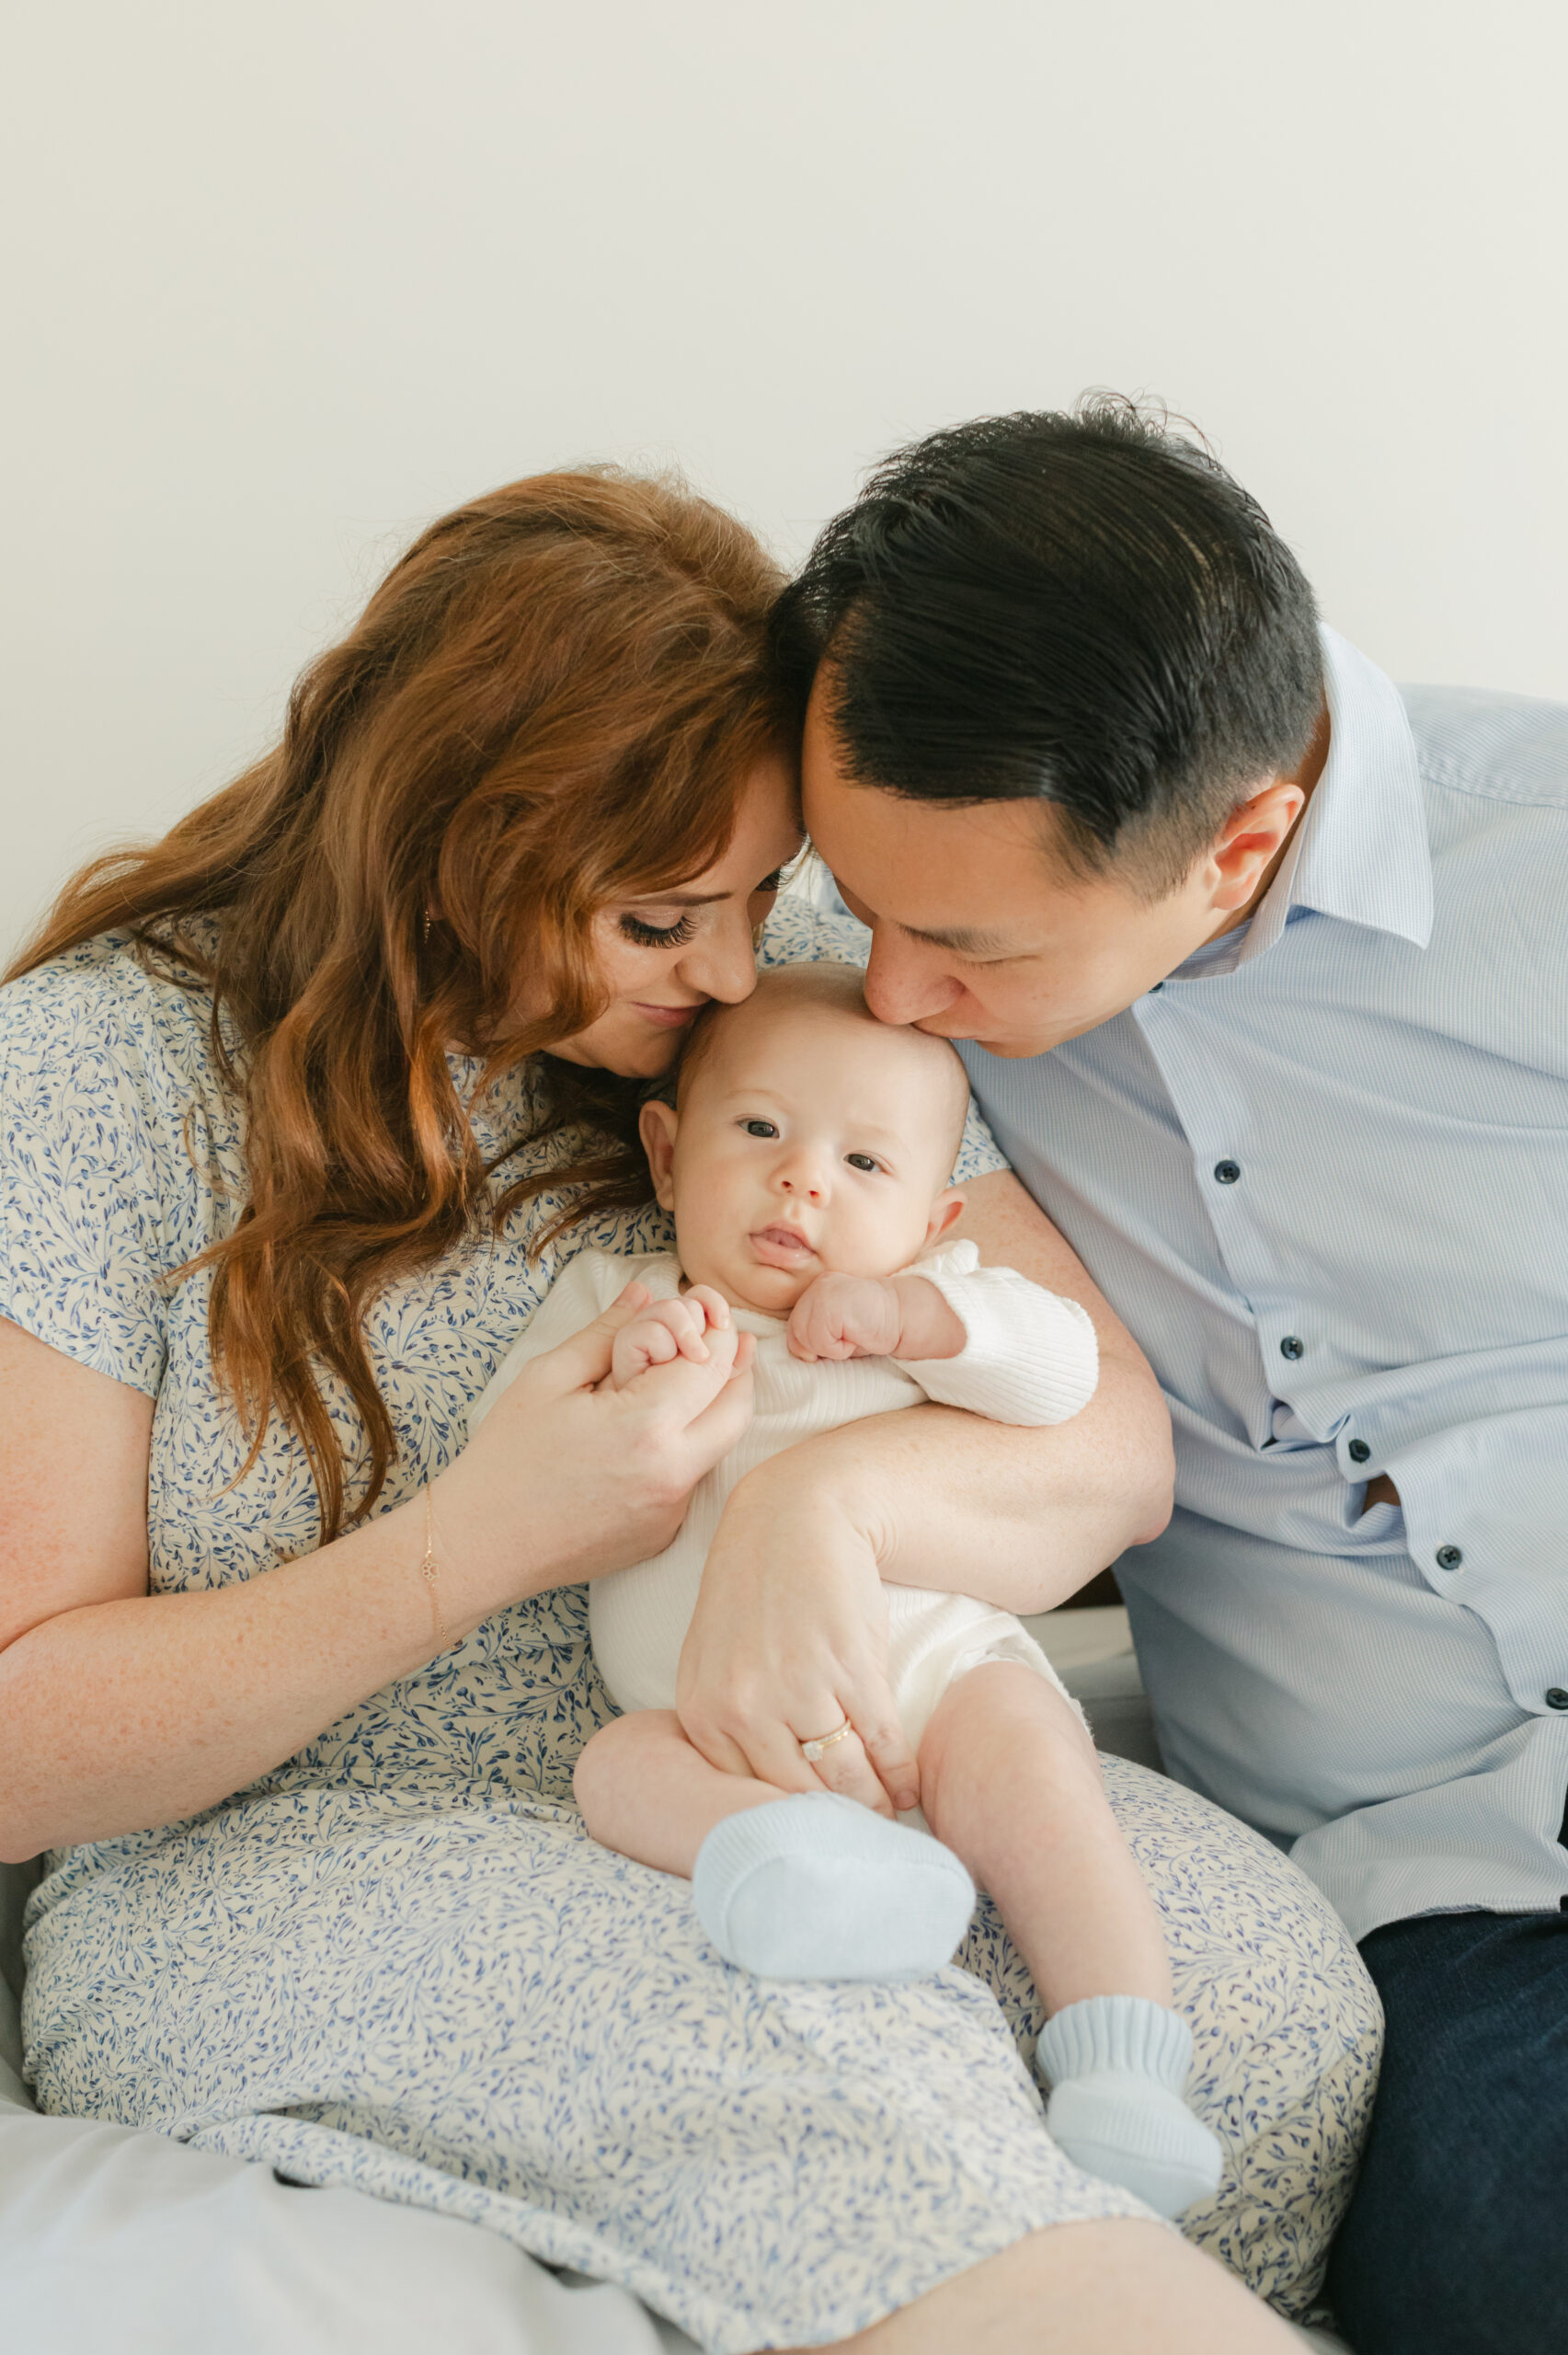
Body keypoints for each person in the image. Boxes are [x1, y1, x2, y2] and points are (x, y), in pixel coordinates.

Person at [0, 466, 1304, 2353]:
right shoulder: (97, 1073)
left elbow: (1103, 1440)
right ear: (461, 842)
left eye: (759, 897)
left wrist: (820, 1511)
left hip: (796, 1740)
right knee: (838, 2069)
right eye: (658, 914)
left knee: (1270, 2018)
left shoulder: (772, 1043)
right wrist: (482, 1539)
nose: (727, 969)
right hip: (305, 1839)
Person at [780, 397, 1568, 2355]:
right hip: (1449, 1894)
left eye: (953, 943)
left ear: (1238, 846)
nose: (888, 993)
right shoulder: (882, 1051)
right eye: (861, 907)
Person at [475, 961, 1224, 2221]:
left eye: (865, 1167)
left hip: (933, 1685)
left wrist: (921, 1317)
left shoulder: (939, 1304)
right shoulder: (624, 1302)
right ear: (666, 1157)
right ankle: (818, 1872)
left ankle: (1120, 2065)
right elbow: (511, 1462)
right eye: (758, 1130)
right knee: (614, 1770)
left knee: (1039, 1768)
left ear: (936, 1216)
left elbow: (1060, 1381)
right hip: (707, 1723)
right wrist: (620, 1378)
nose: (802, 1180)